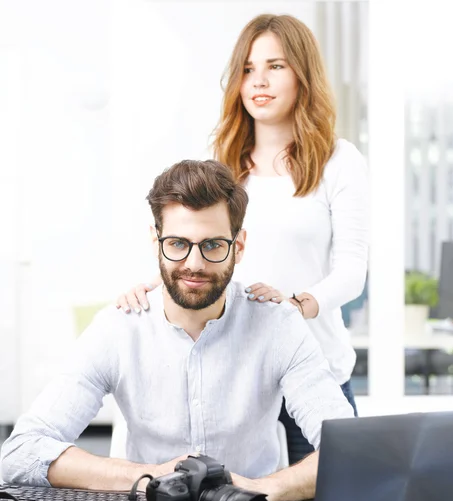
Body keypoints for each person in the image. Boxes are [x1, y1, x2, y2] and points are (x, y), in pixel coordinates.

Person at [1, 160, 353, 501]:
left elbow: (350, 448)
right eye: (178, 244)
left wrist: (262, 489)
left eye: (213, 245)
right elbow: (21, 451)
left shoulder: (278, 326)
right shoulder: (119, 328)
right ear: (157, 243)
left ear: (239, 246)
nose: (194, 264)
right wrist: (150, 477)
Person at [115, 14, 369, 464]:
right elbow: (199, 248)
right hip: (239, 378)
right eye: (248, 69)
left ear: (302, 74)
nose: (259, 81)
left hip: (315, 367)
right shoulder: (222, 163)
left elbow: (351, 271)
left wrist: (296, 305)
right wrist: (152, 286)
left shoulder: (338, 160)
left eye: (275, 66)